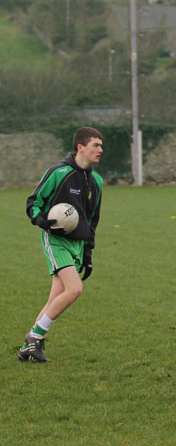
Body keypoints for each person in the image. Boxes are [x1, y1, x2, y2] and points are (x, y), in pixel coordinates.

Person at [18, 127, 104, 362]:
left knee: (55, 298)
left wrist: (88, 253)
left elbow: (92, 219)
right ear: (80, 147)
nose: (100, 150)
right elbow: (34, 201)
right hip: (56, 240)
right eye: (95, 145)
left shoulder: (96, 180)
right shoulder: (59, 172)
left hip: (78, 244)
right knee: (74, 290)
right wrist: (42, 221)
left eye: (101, 145)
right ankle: (35, 336)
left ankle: (28, 348)